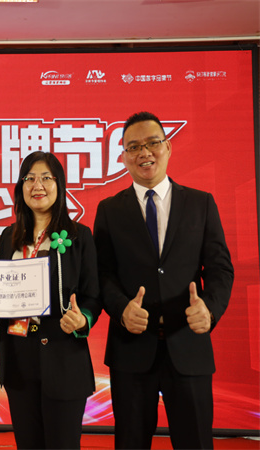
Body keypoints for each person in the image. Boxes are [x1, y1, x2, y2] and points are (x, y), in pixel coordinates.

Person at [93, 111, 234, 449]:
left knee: (196, 441)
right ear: (123, 157)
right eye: (134, 147)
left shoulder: (200, 203)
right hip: (131, 350)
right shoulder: (109, 210)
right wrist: (122, 309)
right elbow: (102, 273)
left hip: (188, 345)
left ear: (168, 147)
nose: (144, 152)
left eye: (153, 143)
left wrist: (210, 309)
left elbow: (220, 268)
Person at [0, 151, 102, 449]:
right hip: (19, 361)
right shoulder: (8, 237)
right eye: (29, 178)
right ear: (20, 187)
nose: (37, 185)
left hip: (63, 358)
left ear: (60, 185)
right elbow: (1, 292)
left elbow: (93, 296)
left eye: (46, 177)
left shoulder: (79, 236)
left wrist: (82, 320)